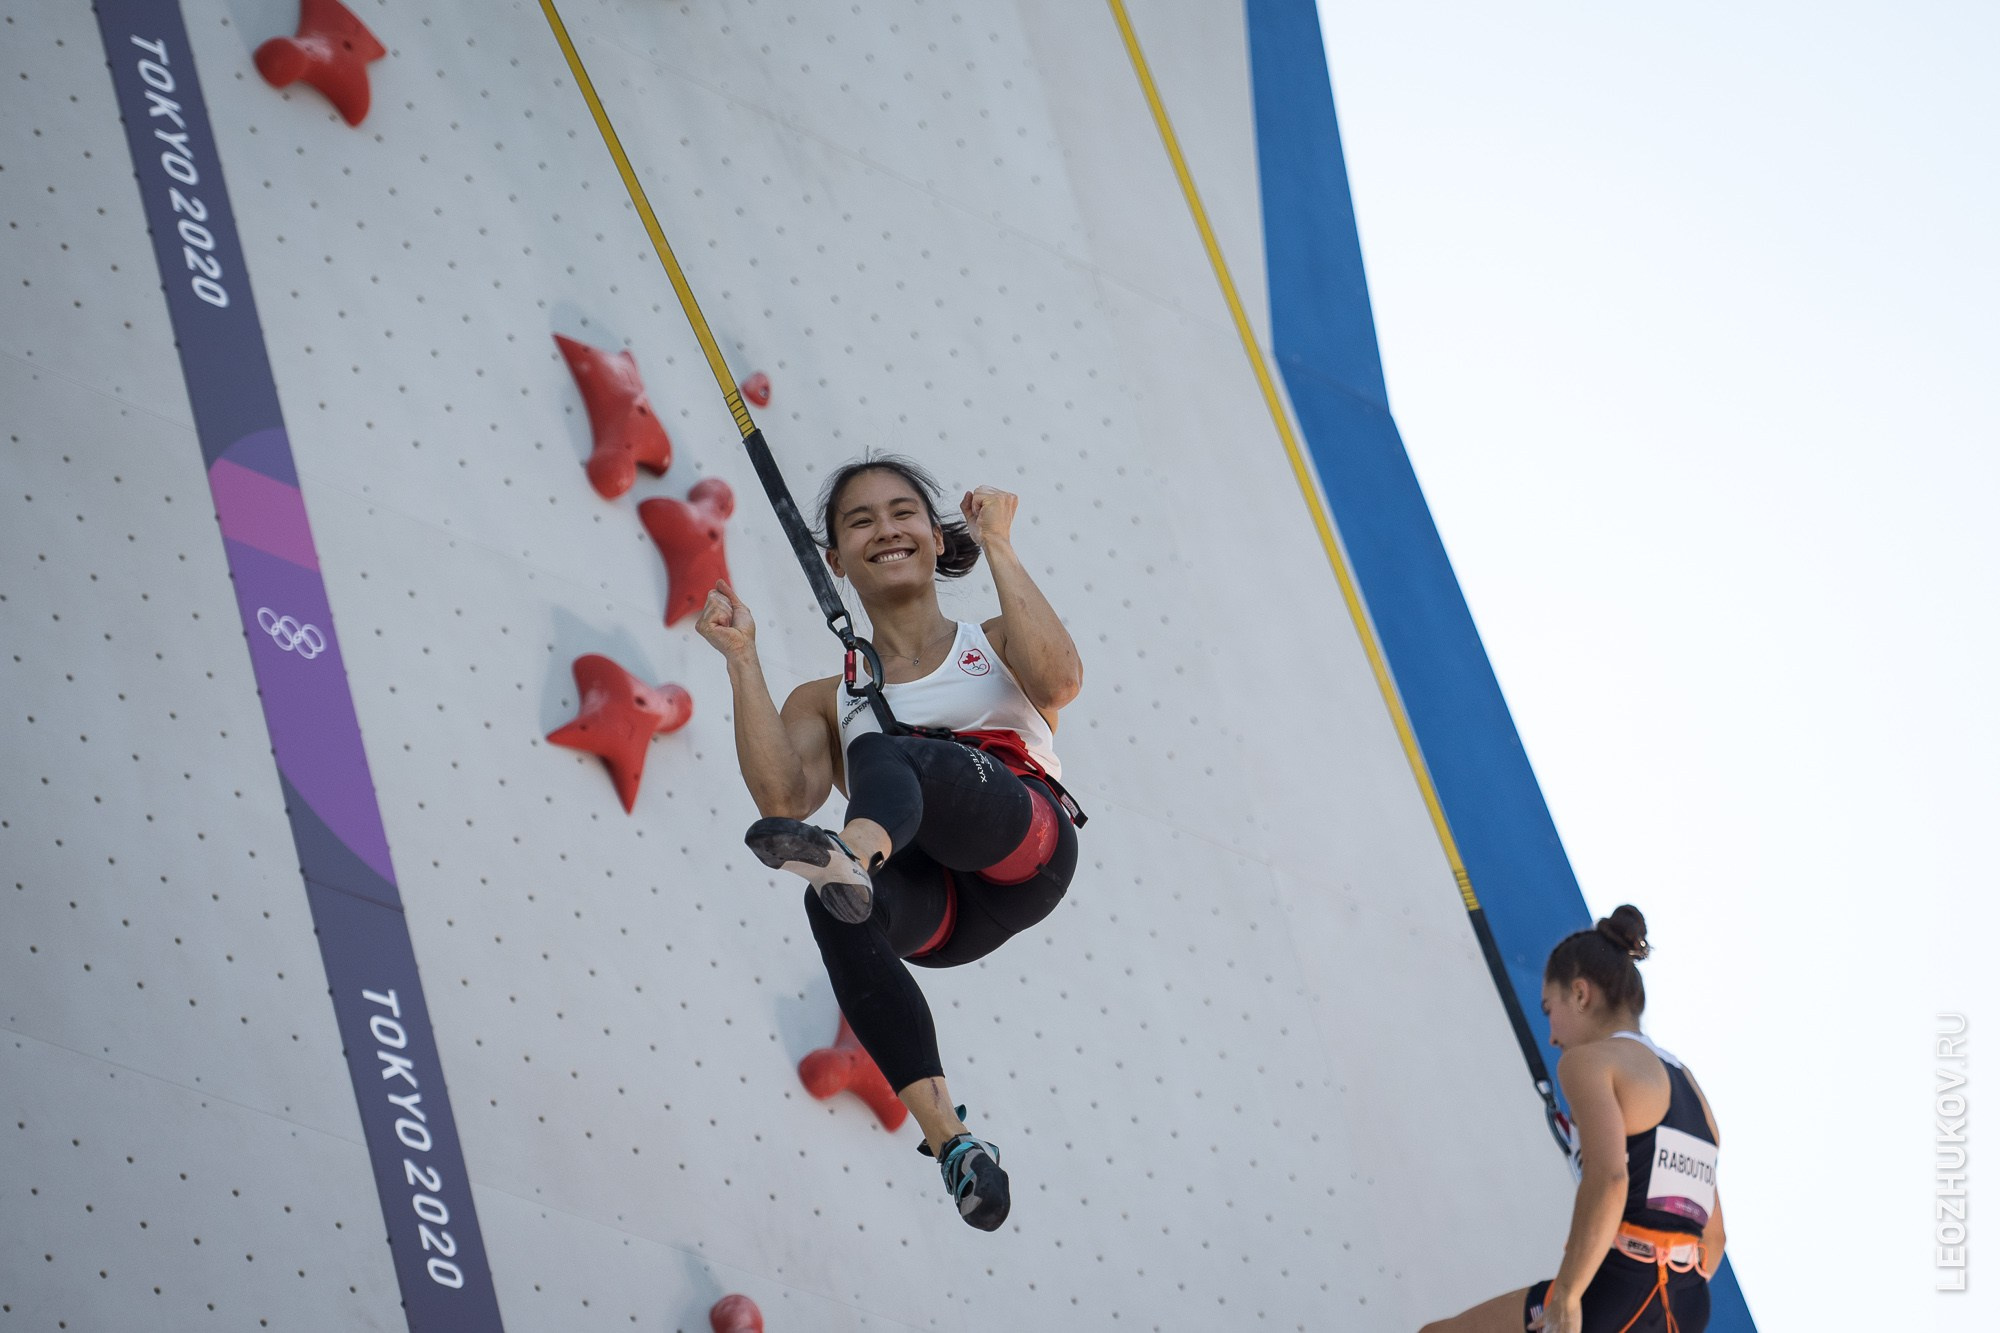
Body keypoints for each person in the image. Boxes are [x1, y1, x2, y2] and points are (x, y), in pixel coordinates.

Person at [694, 454, 1083, 1231]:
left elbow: (1059, 678)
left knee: (893, 754)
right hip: (941, 914)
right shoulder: (825, 696)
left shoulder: (995, 637)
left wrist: (999, 544)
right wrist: (743, 660)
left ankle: (853, 855)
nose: (886, 530)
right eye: (860, 521)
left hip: (1021, 842)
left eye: (903, 513)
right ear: (835, 561)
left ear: (937, 539)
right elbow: (781, 798)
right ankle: (954, 1144)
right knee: (834, 907)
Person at [1420, 906, 1724, 1333]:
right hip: (1688, 1303)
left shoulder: (1589, 1063)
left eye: (1549, 1009)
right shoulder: (1689, 1085)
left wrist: (1567, 1293)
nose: (1552, 1036)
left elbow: (1611, 1180)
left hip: (1620, 1289)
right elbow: (1714, 1238)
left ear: (1580, 995)